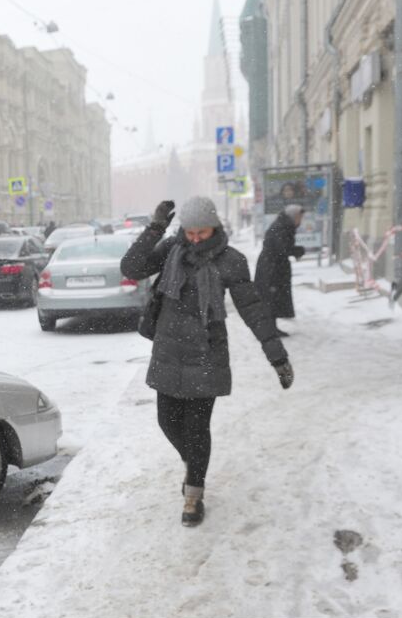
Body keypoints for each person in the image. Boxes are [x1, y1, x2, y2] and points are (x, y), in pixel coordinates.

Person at [121, 196, 293, 526]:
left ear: (215, 226)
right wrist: (155, 227)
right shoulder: (172, 250)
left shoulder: (231, 260)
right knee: (168, 422)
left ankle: (193, 495)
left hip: (207, 354)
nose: (196, 238)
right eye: (191, 232)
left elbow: (254, 310)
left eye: (202, 232)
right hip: (169, 353)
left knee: (197, 429)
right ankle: (194, 464)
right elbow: (131, 267)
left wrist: (277, 356)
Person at [255, 204, 308, 334]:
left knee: (274, 296)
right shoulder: (281, 227)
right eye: (299, 218)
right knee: (272, 296)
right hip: (271, 267)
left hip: (275, 266)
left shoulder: (284, 226)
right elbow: (282, 248)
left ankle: (271, 327)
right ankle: (270, 328)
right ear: (293, 216)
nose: (300, 221)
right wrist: (298, 250)